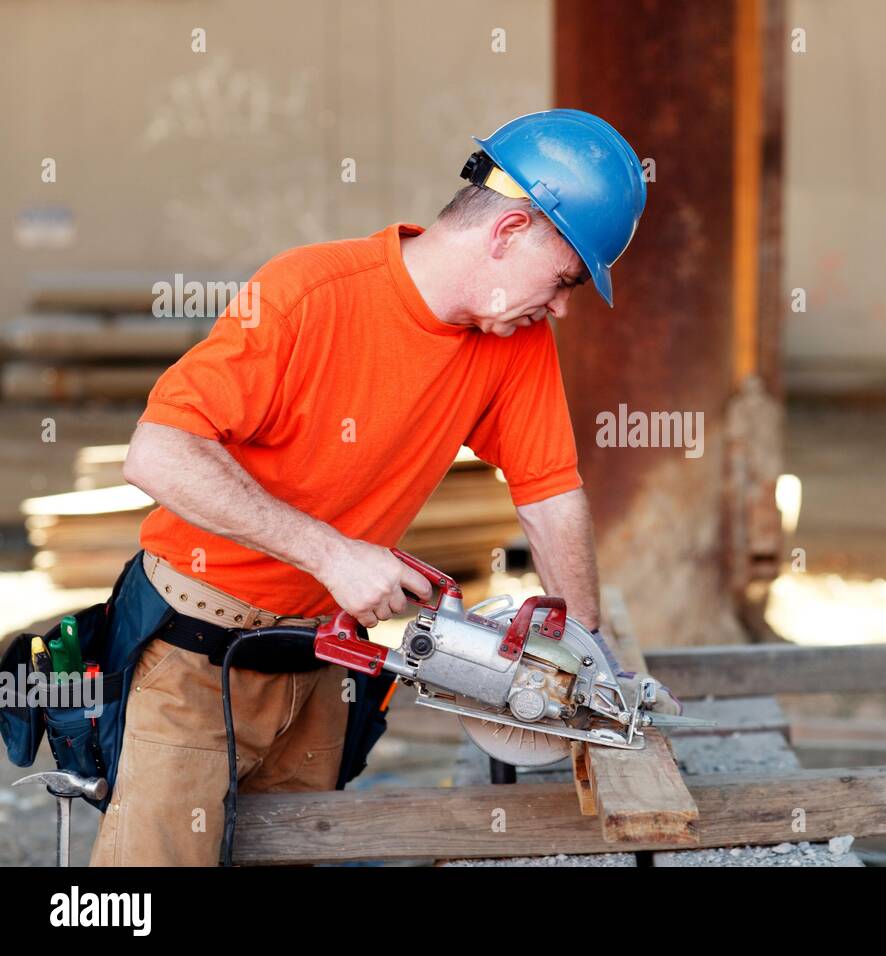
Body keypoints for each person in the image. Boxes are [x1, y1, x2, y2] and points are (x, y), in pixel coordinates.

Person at [88, 108, 676, 866]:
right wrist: (330, 554)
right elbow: (158, 453)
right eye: (565, 278)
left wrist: (585, 667)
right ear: (509, 231)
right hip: (193, 661)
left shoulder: (515, 341)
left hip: (325, 663)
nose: (562, 305)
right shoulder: (309, 294)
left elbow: (549, 493)